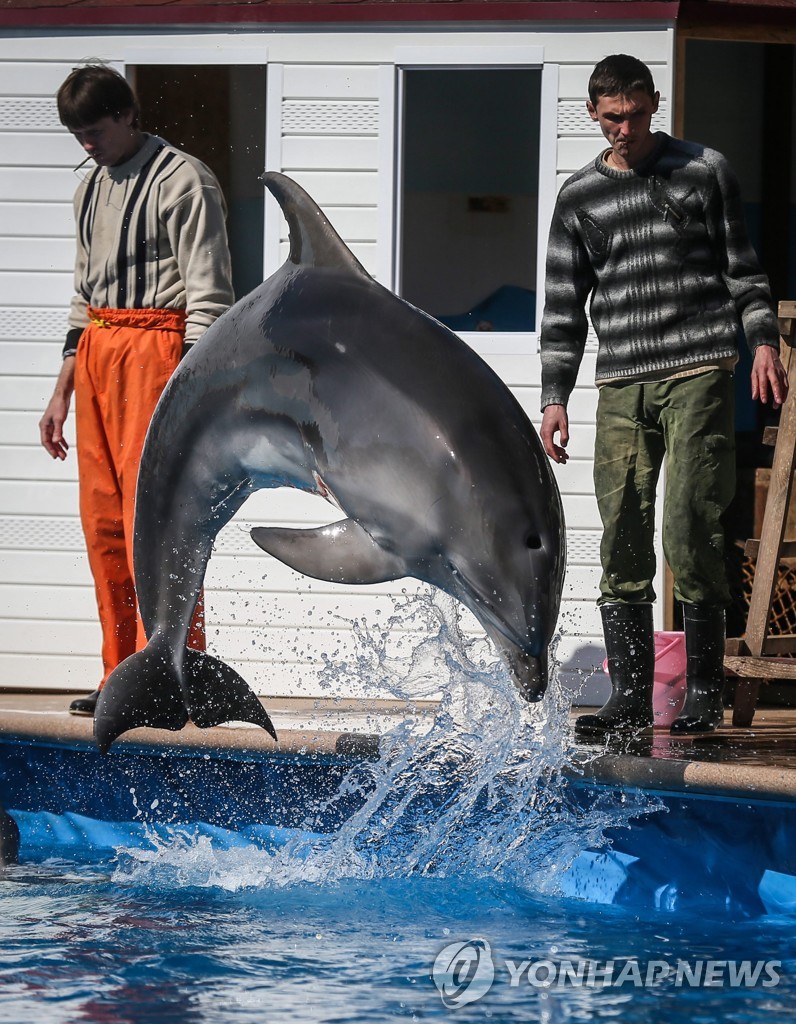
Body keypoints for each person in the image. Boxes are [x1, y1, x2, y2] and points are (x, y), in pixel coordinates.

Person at [539, 54, 787, 739]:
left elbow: (744, 271)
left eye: (637, 114)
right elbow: (564, 304)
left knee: (689, 526)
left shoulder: (703, 171)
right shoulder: (578, 196)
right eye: (612, 117)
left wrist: (762, 341)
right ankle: (628, 695)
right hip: (621, 380)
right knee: (620, 531)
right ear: (593, 113)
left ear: (655, 104)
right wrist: (554, 395)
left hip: (698, 367)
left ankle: (704, 689)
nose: (625, 128)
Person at [38, 63, 234, 716]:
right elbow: (81, 292)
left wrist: (190, 387)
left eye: (94, 131)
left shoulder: (184, 179)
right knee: (104, 528)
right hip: (98, 351)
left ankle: (173, 676)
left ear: (126, 115)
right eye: (76, 135)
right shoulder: (88, 187)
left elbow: (209, 294)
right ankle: (123, 675)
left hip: (158, 349)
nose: (86, 145)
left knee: (155, 523)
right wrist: (62, 390)